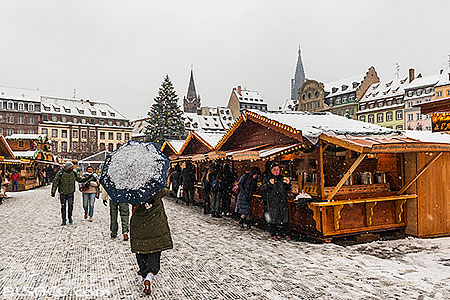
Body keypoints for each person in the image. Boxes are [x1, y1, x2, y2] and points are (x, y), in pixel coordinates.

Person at [130, 187, 173, 295]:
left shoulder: (133, 191)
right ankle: (149, 276)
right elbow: (167, 191)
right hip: (155, 227)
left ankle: (144, 276)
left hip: (139, 227)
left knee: (141, 251)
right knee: (154, 252)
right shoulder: (156, 189)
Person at [51, 161, 92, 225]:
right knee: (63, 207)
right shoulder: (60, 173)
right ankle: (64, 219)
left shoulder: (73, 173)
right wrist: (53, 191)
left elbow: (79, 180)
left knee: (70, 206)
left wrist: (88, 178)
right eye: (71, 166)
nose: (73, 167)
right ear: (68, 167)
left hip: (71, 192)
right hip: (63, 193)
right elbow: (55, 182)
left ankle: (70, 217)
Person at [260, 162, 292, 240]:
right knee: (273, 218)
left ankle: (285, 233)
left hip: (282, 201)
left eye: (278, 169)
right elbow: (262, 188)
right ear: (271, 170)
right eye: (274, 170)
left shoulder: (282, 178)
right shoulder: (267, 178)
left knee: (284, 218)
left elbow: (288, 188)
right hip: (272, 201)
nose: (276, 171)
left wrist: (288, 184)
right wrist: (269, 184)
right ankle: (273, 233)